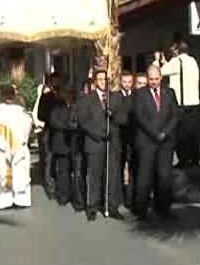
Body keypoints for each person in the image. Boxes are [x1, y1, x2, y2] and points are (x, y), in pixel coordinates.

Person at [77, 70, 127, 221]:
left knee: (112, 175)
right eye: (99, 79)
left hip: (112, 142)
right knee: (94, 175)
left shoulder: (116, 98)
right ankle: (92, 206)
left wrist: (114, 115)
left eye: (105, 79)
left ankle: (112, 206)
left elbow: (123, 118)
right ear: (95, 81)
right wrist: (98, 134)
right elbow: (83, 122)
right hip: (95, 142)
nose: (102, 82)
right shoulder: (86, 99)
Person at [132, 66, 179, 220]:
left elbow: (175, 115)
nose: (153, 82)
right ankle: (141, 210)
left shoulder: (169, 92)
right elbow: (140, 117)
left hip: (165, 142)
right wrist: (155, 133)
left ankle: (164, 209)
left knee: (165, 177)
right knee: (144, 177)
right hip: (147, 142)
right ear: (147, 78)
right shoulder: (140, 94)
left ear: (161, 78)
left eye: (156, 79)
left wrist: (165, 132)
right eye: (151, 79)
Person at [0, 85, 33, 210]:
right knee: (19, 172)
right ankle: (21, 198)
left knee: (1, 172)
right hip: (16, 146)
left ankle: (1, 200)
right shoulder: (21, 111)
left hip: (0, 148)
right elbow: (28, 127)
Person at [161, 41, 200, 168]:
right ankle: (195, 159)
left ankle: (183, 160)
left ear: (177, 51)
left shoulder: (176, 61)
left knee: (181, 134)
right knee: (193, 133)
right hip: (194, 102)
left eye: (173, 50)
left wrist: (161, 61)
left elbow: (161, 72)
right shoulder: (193, 61)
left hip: (181, 104)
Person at [48, 87, 81, 207]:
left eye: (70, 93)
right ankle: (63, 196)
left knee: (77, 172)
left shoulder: (77, 106)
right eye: (66, 93)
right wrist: (67, 127)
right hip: (62, 144)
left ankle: (77, 198)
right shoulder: (57, 107)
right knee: (63, 172)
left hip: (76, 144)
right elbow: (53, 121)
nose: (68, 96)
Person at [37, 73, 63, 194]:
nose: (57, 83)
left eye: (59, 81)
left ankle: (61, 184)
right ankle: (50, 185)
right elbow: (40, 115)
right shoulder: (46, 97)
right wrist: (52, 119)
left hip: (63, 132)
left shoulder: (63, 96)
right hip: (50, 131)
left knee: (60, 159)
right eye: (55, 81)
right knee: (49, 158)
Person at [113, 71, 135, 208]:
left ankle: (130, 197)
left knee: (132, 167)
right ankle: (119, 196)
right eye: (124, 82)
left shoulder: (136, 96)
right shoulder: (115, 96)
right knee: (118, 166)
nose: (127, 85)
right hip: (119, 137)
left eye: (129, 82)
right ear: (121, 82)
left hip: (132, 137)